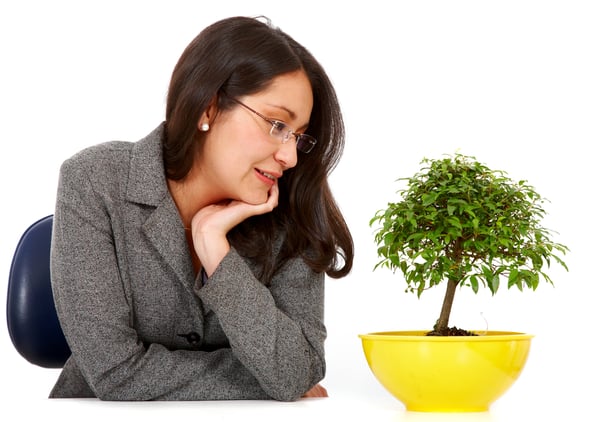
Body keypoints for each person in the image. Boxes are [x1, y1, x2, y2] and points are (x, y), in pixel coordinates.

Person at [48, 16, 354, 401]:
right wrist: (265, 379)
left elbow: (301, 367)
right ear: (208, 109)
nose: (290, 155)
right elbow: (114, 372)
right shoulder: (94, 181)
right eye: (277, 125)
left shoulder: (295, 208)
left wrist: (216, 252)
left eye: (299, 136)